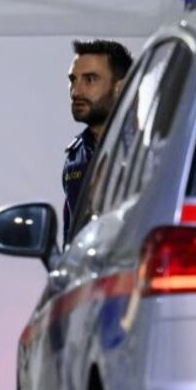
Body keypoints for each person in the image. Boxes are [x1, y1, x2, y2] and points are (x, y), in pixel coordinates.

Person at [63, 39, 133, 241]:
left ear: (120, 87)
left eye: (90, 79)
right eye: (73, 80)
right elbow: (71, 239)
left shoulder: (150, 149)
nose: (76, 91)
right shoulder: (76, 155)